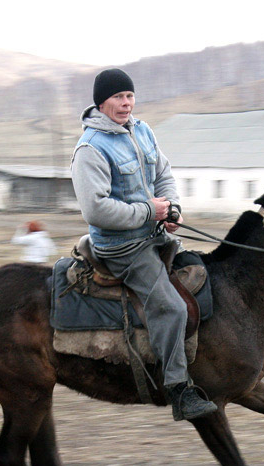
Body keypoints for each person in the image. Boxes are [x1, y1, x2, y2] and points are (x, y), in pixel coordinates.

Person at [70, 68, 217, 421]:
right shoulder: (90, 149)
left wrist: (172, 207)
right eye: (119, 97)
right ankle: (179, 390)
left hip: (155, 235)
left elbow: (163, 173)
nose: (126, 103)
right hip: (123, 248)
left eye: (130, 96)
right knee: (172, 307)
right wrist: (149, 210)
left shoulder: (142, 130)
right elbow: (96, 209)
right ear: (101, 103)